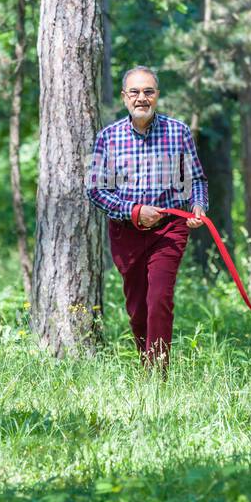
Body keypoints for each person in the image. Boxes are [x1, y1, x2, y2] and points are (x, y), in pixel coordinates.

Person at [85, 66, 208, 370]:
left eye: (148, 91)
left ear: (157, 96)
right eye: (135, 92)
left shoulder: (177, 132)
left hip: (169, 230)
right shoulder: (108, 138)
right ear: (125, 97)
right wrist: (135, 211)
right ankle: (147, 364)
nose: (142, 98)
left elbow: (197, 181)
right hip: (126, 234)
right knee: (138, 309)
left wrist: (198, 207)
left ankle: (159, 374)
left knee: (158, 301)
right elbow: (95, 190)